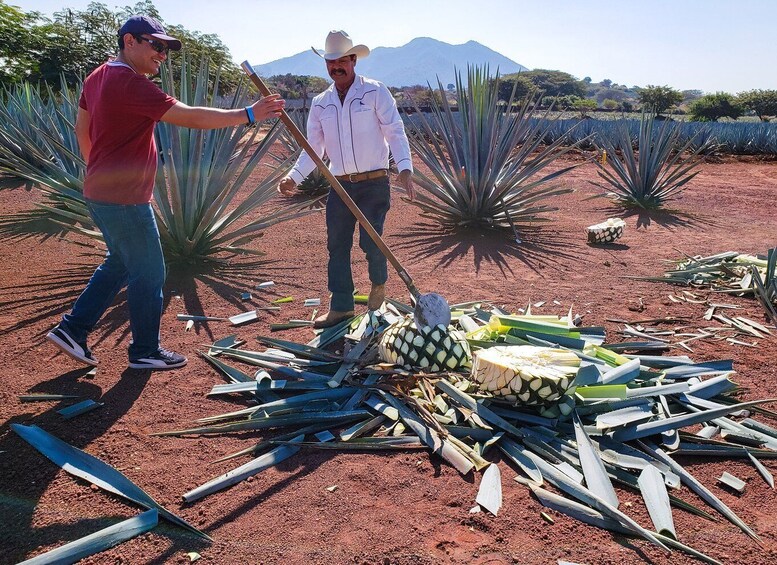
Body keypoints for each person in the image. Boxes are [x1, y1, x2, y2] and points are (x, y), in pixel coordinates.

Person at [46, 15, 285, 370]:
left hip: (100, 192)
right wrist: (249, 113)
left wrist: (99, 168)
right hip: (124, 199)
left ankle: (73, 329)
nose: (162, 54)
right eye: (155, 45)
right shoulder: (129, 82)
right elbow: (189, 116)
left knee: (119, 262)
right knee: (151, 272)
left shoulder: (98, 76)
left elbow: (84, 130)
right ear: (129, 41)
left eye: (165, 48)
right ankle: (145, 350)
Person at [278, 30, 414, 329]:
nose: (335, 66)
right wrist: (294, 177)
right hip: (339, 185)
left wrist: (404, 166)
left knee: (371, 240)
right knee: (336, 245)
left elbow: (395, 130)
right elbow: (313, 148)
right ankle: (341, 306)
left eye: (341, 60)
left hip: (373, 182)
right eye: (331, 61)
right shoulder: (321, 102)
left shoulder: (375, 92)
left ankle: (378, 287)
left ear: (353, 60)